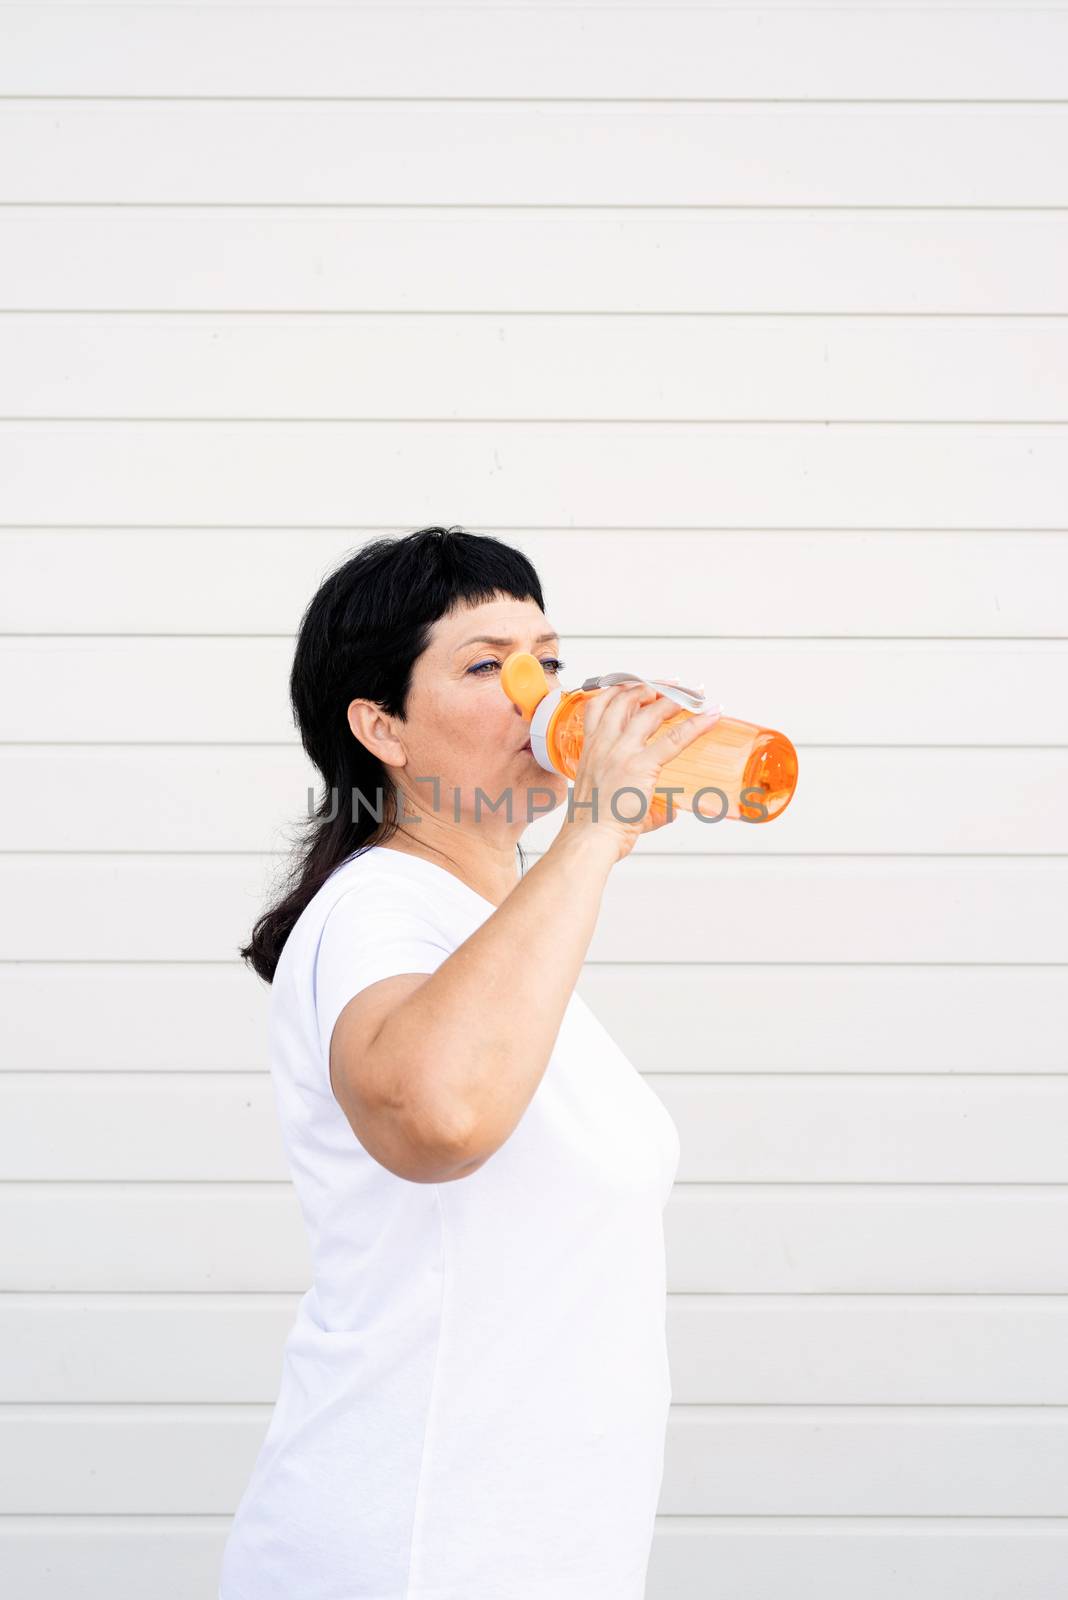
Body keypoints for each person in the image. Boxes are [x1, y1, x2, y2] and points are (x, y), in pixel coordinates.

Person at [220, 525, 718, 1600]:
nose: (538, 695)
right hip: (411, 1550)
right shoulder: (379, 904)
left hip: (534, 1555)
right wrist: (594, 831)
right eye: (487, 665)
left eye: (547, 658)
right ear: (383, 726)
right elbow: (437, 1117)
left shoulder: (495, 927)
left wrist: (592, 844)